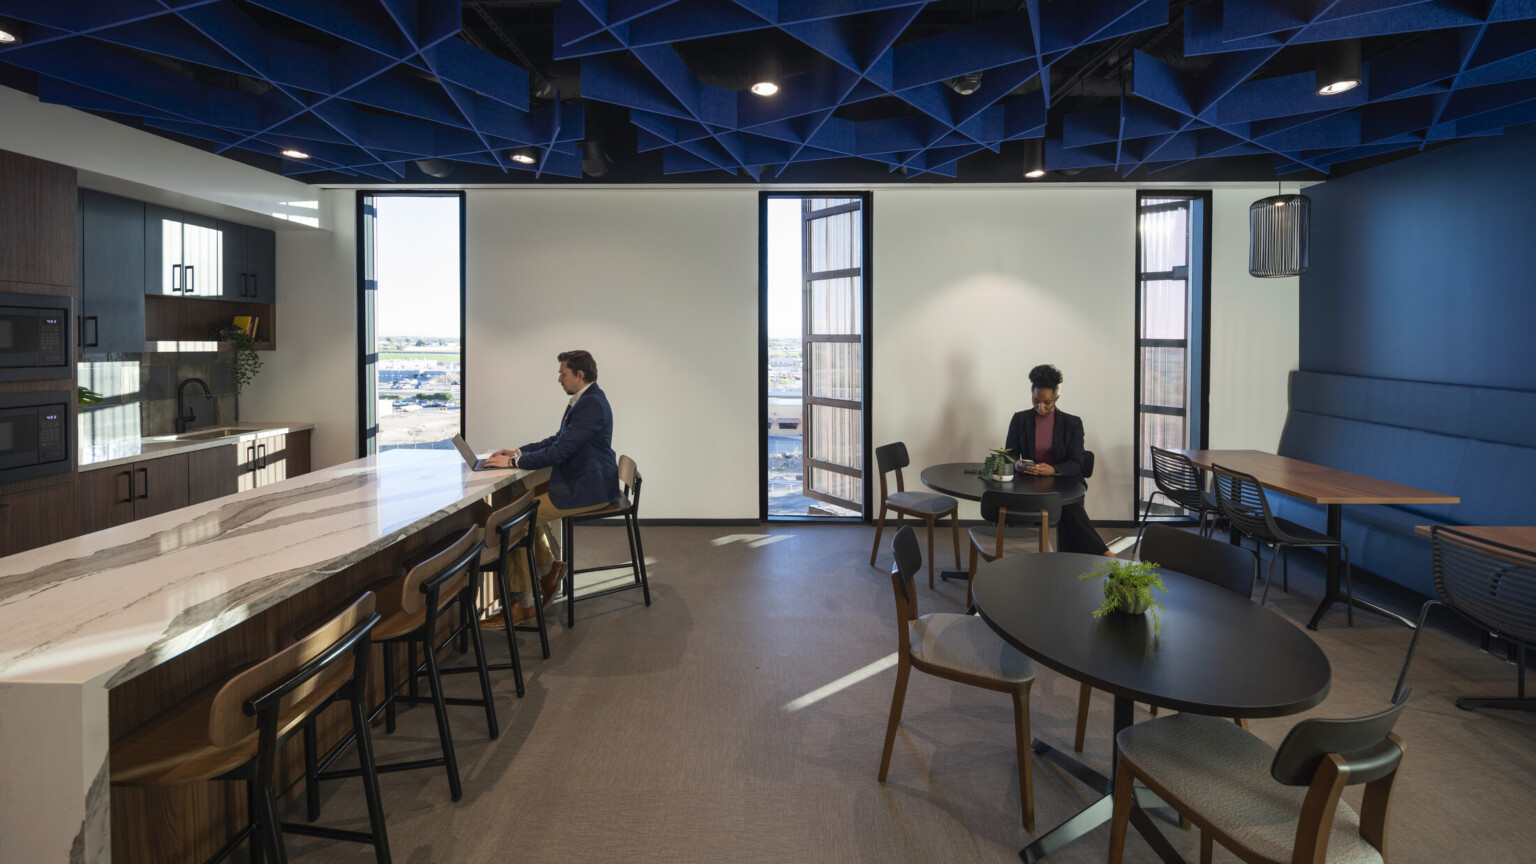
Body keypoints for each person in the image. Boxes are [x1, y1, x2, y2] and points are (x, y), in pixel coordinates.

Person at [484, 350, 620, 620]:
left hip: (588, 487)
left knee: (515, 522)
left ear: (579, 375)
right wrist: (517, 453)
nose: (559, 378)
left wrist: (512, 464)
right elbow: (557, 440)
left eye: (563, 373)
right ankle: (549, 570)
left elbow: (559, 453)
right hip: (583, 478)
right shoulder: (584, 399)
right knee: (519, 498)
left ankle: (524, 602)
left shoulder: (590, 404)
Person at [1003, 364, 1114, 558]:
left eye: (1047, 402)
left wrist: (1053, 470)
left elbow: (1077, 462)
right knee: (1070, 510)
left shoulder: (1072, 424)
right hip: (1029, 484)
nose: (1041, 407)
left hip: (1064, 482)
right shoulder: (1020, 420)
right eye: (1035, 401)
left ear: (1056, 397)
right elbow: (1009, 455)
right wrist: (1016, 464)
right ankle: (1103, 556)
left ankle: (1101, 556)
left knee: (1068, 506)